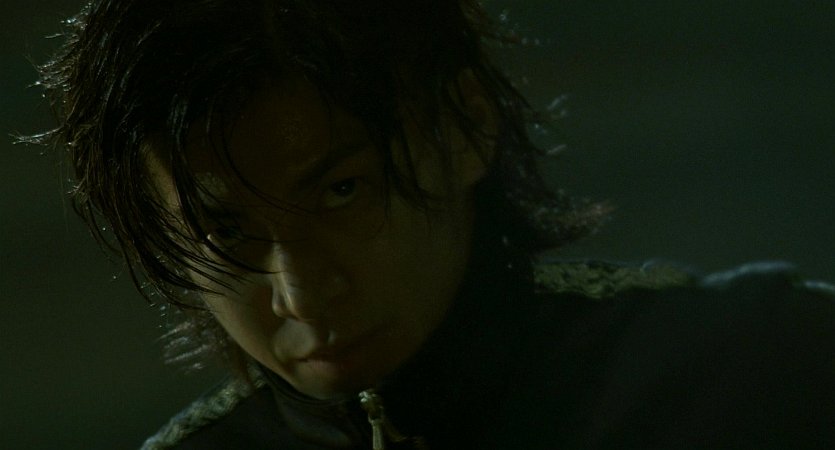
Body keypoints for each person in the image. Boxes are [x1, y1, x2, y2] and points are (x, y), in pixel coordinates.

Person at [27, 0, 835, 448]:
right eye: (225, 234)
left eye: (342, 191)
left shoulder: (750, 369)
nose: (302, 295)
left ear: (463, 125)